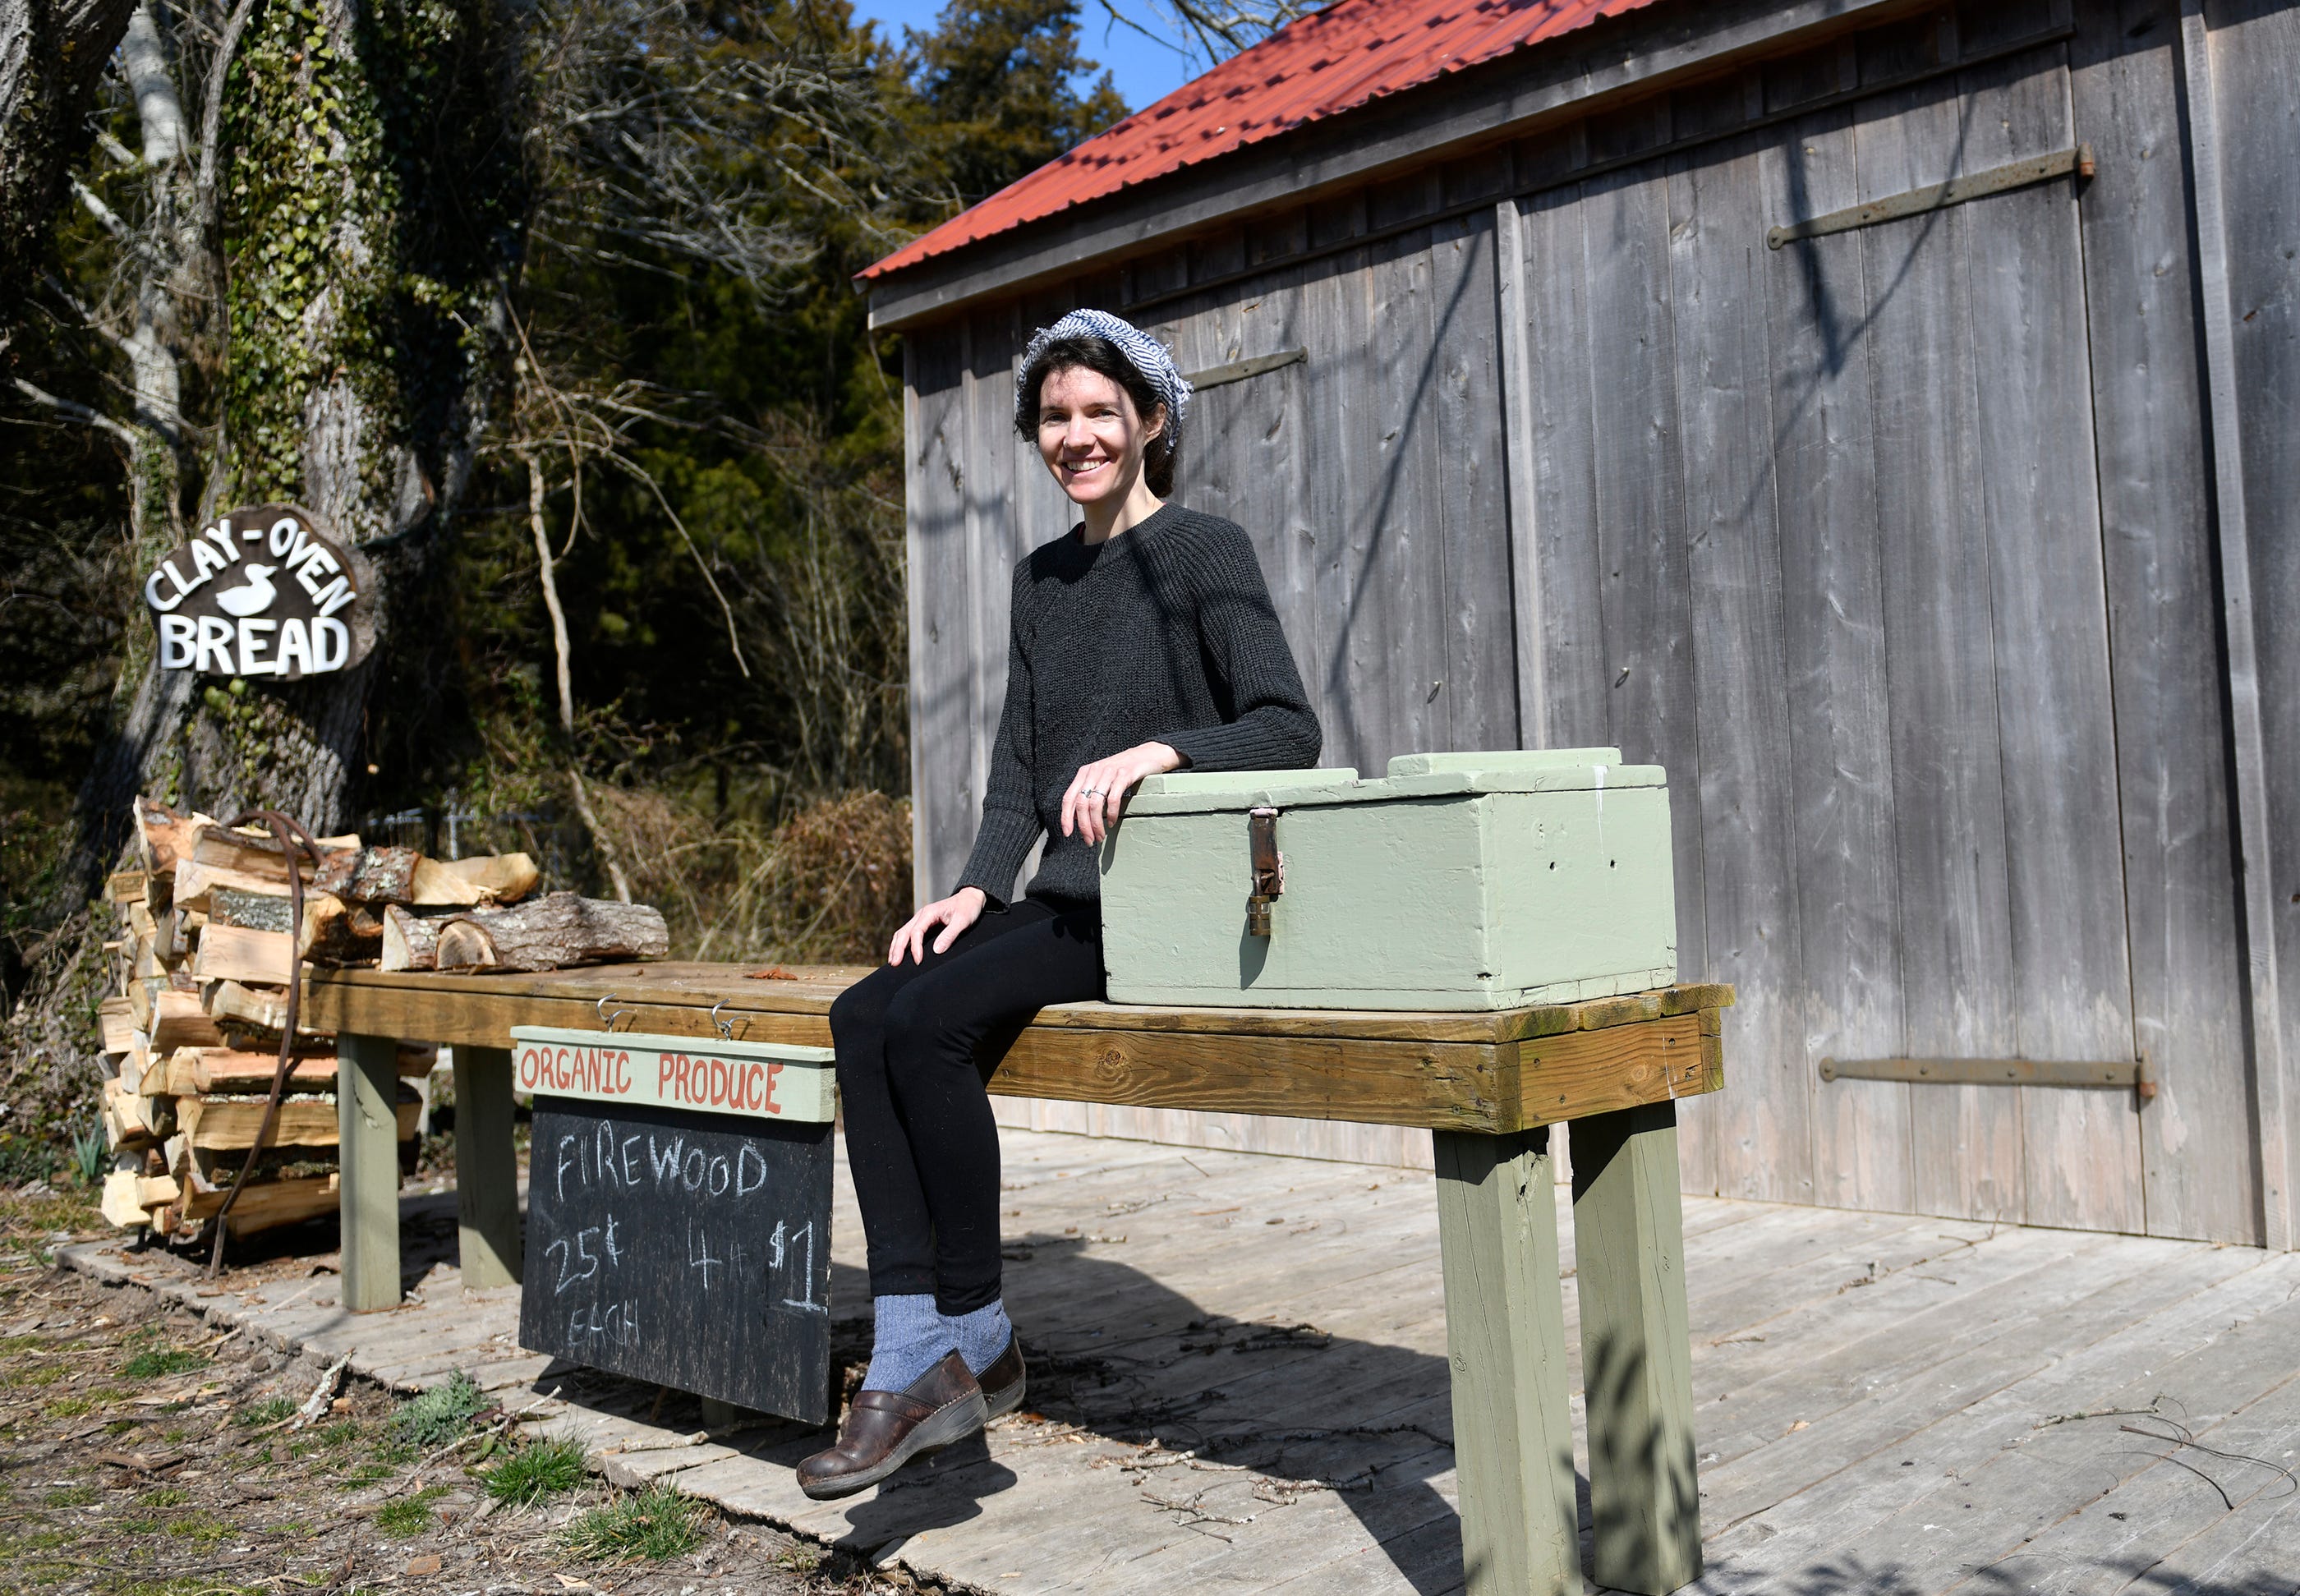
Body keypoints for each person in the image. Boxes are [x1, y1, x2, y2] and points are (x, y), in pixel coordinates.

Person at [796, 309, 1323, 1498]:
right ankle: (933, 1343)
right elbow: (1018, 766)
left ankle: (959, 1344)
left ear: (1151, 421)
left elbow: (1288, 727)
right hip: (1066, 899)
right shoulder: (1040, 581)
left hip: (1162, 908)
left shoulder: (1205, 552)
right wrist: (973, 890)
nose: (1075, 436)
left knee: (929, 1024)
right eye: (1053, 417)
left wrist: (1161, 752)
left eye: (1099, 413)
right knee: (865, 1011)